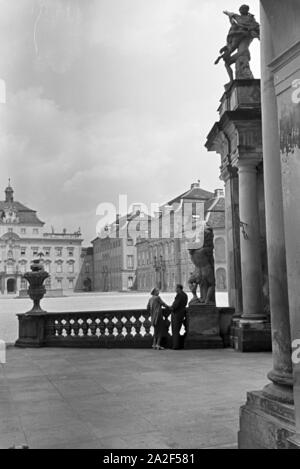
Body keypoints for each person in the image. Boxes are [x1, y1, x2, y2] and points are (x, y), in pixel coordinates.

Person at [171, 284, 188, 350]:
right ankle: (177, 345)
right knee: (178, 329)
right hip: (182, 313)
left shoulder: (179, 295)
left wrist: (171, 308)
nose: (175, 289)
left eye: (176, 288)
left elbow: (175, 305)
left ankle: (175, 346)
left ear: (179, 288)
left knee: (175, 330)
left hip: (176, 314)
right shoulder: (185, 295)